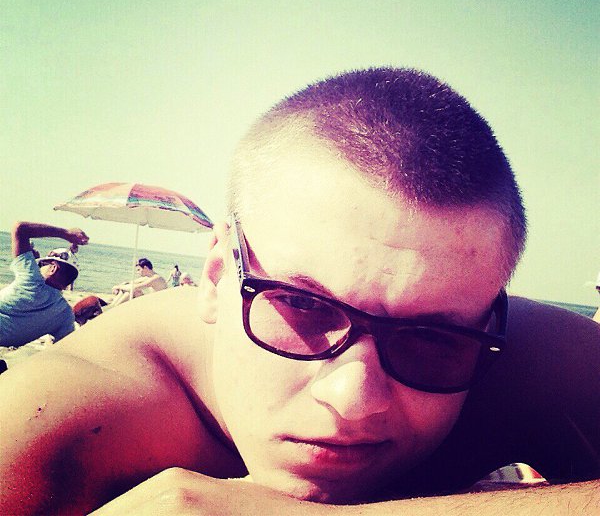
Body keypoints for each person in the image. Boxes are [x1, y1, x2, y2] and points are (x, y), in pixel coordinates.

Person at [1, 68, 599, 515]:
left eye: (432, 337)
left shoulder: (515, 354)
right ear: (216, 274)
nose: (353, 400)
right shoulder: (52, 423)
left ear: (490, 320)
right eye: (302, 306)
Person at [0, 222, 89, 348]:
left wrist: (66, 234)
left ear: (53, 268)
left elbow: (20, 229)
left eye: (42, 264)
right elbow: (63, 346)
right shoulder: (65, 314)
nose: (39, 267)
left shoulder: (32, 280)